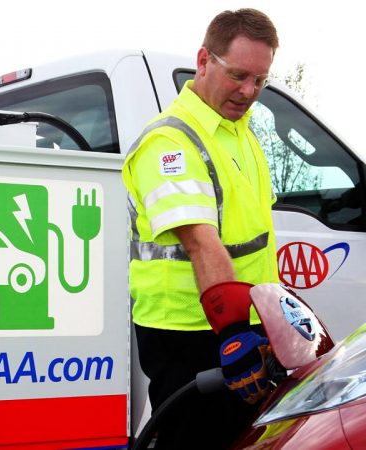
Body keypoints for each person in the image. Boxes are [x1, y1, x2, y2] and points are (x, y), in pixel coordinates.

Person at [122, 9, 280, 449]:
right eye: (238, 75)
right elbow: (200, 242)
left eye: (260, 80)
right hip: (191, 332)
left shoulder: (239, 132)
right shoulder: (169, 142)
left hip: (244, 323)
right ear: (204, 60)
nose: (249, 91)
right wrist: (233, 336)